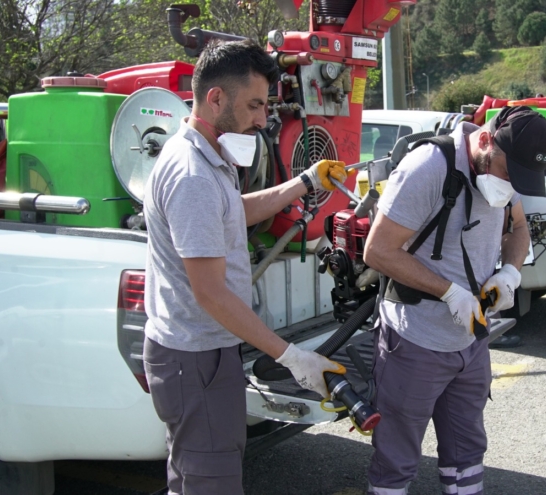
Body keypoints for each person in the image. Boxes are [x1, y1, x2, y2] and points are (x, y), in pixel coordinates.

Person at [142, 39, 349, 495]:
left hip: (198, 356)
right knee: (211, 483)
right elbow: (211, 293)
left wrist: (304, 182)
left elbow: (232, 211)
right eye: (255, 105)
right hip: (195, 361)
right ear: (216, 98)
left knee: (193, 479)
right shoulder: (192, 174)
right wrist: (292, 357)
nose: (262, 119)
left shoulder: (207, 157)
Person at [362, 106, 546, 494]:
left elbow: (519, 228)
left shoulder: (504, 171)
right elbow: (378, 251)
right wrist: (448, 292)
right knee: (396, 458)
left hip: (471, 340)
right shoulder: (429, 168)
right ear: (484, 140)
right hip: (416, 339)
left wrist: (510, 273)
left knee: (467, 451)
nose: (510, 186)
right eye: (507, 174)